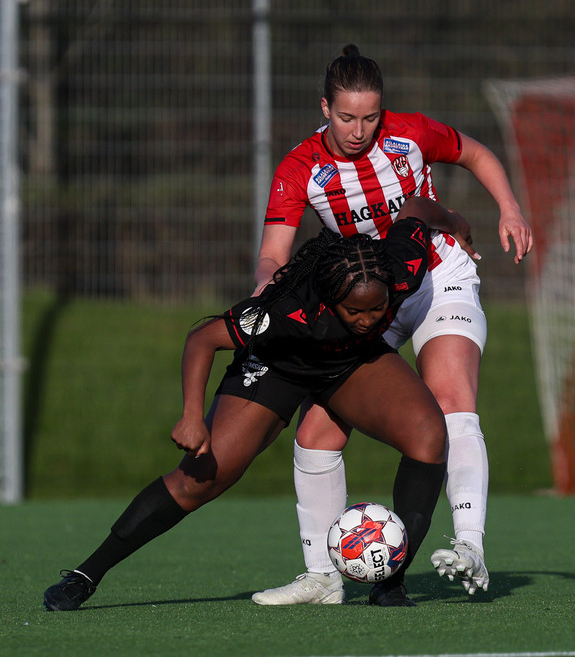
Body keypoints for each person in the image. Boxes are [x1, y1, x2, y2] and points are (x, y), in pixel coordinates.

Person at [42, 196, 477, 610]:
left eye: (377, 309)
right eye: (355, 312)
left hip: (349, 361)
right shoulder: (285, 310)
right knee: (200, 480)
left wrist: (454, 222)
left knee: (428, 435)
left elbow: (416, 208)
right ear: (331, 300)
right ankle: (86, 574)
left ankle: (390, 583)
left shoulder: (400, 267)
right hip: (277, 366)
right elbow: (202, 340)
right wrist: (191, 416)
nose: (368, 319)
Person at [250, 44, 534, 606]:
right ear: (324, 108)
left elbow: (476, 154)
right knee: (316, 434)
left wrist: (510, 208)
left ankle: (470, 545)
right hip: (368, 302)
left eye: (370, 116)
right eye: (346, 117)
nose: (359, 130)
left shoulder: (410, 133)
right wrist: (264, 293)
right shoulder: (299, 168)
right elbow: (272, 255)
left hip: (437, 277)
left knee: (451, 400)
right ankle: (323, 578)